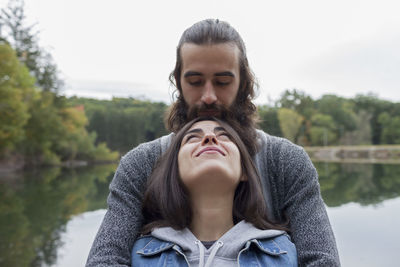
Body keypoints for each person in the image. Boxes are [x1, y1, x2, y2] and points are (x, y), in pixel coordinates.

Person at [86, 19, 340, 266]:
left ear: (243, 83)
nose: (208, 97)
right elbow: (105, 259)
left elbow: (322, 260)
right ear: (178, 81)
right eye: (195, 82)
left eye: (222, 82)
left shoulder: (286, 161)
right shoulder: (139, 164)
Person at [131, 117, 297, 266]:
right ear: (174, 172)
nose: (209, 138)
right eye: (192, 137)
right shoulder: (140, 254)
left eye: (224, 136)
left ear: (244, 172)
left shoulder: (283, 251)